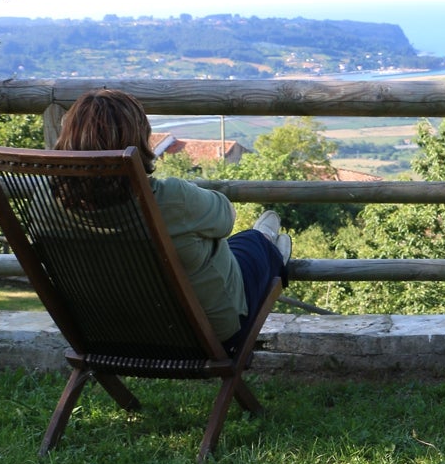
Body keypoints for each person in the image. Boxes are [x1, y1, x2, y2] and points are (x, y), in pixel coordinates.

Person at [54, 89, 290, 354]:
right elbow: (226, 219)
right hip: (204, 336)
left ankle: (264, 240)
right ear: (139, 138)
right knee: (252, 243)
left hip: (105, 335)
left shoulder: (46, 204)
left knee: (229, 246)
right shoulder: (171, 199)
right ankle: (269, 241)